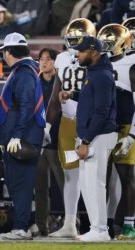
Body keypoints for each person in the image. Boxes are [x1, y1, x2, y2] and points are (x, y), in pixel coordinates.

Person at [61, 35, 118, 242]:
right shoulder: (95, 73)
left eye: (82, 51)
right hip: (93, 135)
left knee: (95, 183)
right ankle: (97, 227)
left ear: (94, 51)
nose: (79, 54)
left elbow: (101, 112)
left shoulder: (102, 75)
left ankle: (101, 230)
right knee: (87, 184)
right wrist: (73, 94)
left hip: (98, 136)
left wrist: (85, 141)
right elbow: (92, 98)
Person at [45, 18, 95, 238]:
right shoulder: (63, 58)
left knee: (93, 175)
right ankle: (69, 223)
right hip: (66, 122)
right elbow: (56, 94)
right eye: (72, 39)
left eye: (79, 39)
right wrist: (47, 123)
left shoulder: (95, 58)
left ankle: (100, 225)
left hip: (89, 121)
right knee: (70, 174)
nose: (74, 44)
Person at [0, 32, 43, 241]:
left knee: (19, 183)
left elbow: (26, 105)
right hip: (21, 134)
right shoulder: (25, 71)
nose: (3, 55)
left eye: (4, 51)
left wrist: (17, 135)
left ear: (9, 52)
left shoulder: (23, 73)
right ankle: (28, 224)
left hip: (21, 137)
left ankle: (21, 228)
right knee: (19, 183)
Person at [98, 22, 135, 240]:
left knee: (126, 177)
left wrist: (132, 134)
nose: (106, 46)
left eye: (110, 42)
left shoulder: (131, 64)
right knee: (99, 178)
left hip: (124, 127)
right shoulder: (99, 62)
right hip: (105, 127)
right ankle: (99, 224)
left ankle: (129, 224)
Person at [34, 48, 64, 237]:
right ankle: (41, 225)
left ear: (55, 62)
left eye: (48, 59)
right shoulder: (34, 82)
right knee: (40, 186)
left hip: (58, 140)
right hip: (38, 141)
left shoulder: (61, 81)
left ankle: (72, 220)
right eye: (41, 59)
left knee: (65, 184)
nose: (44, 63)